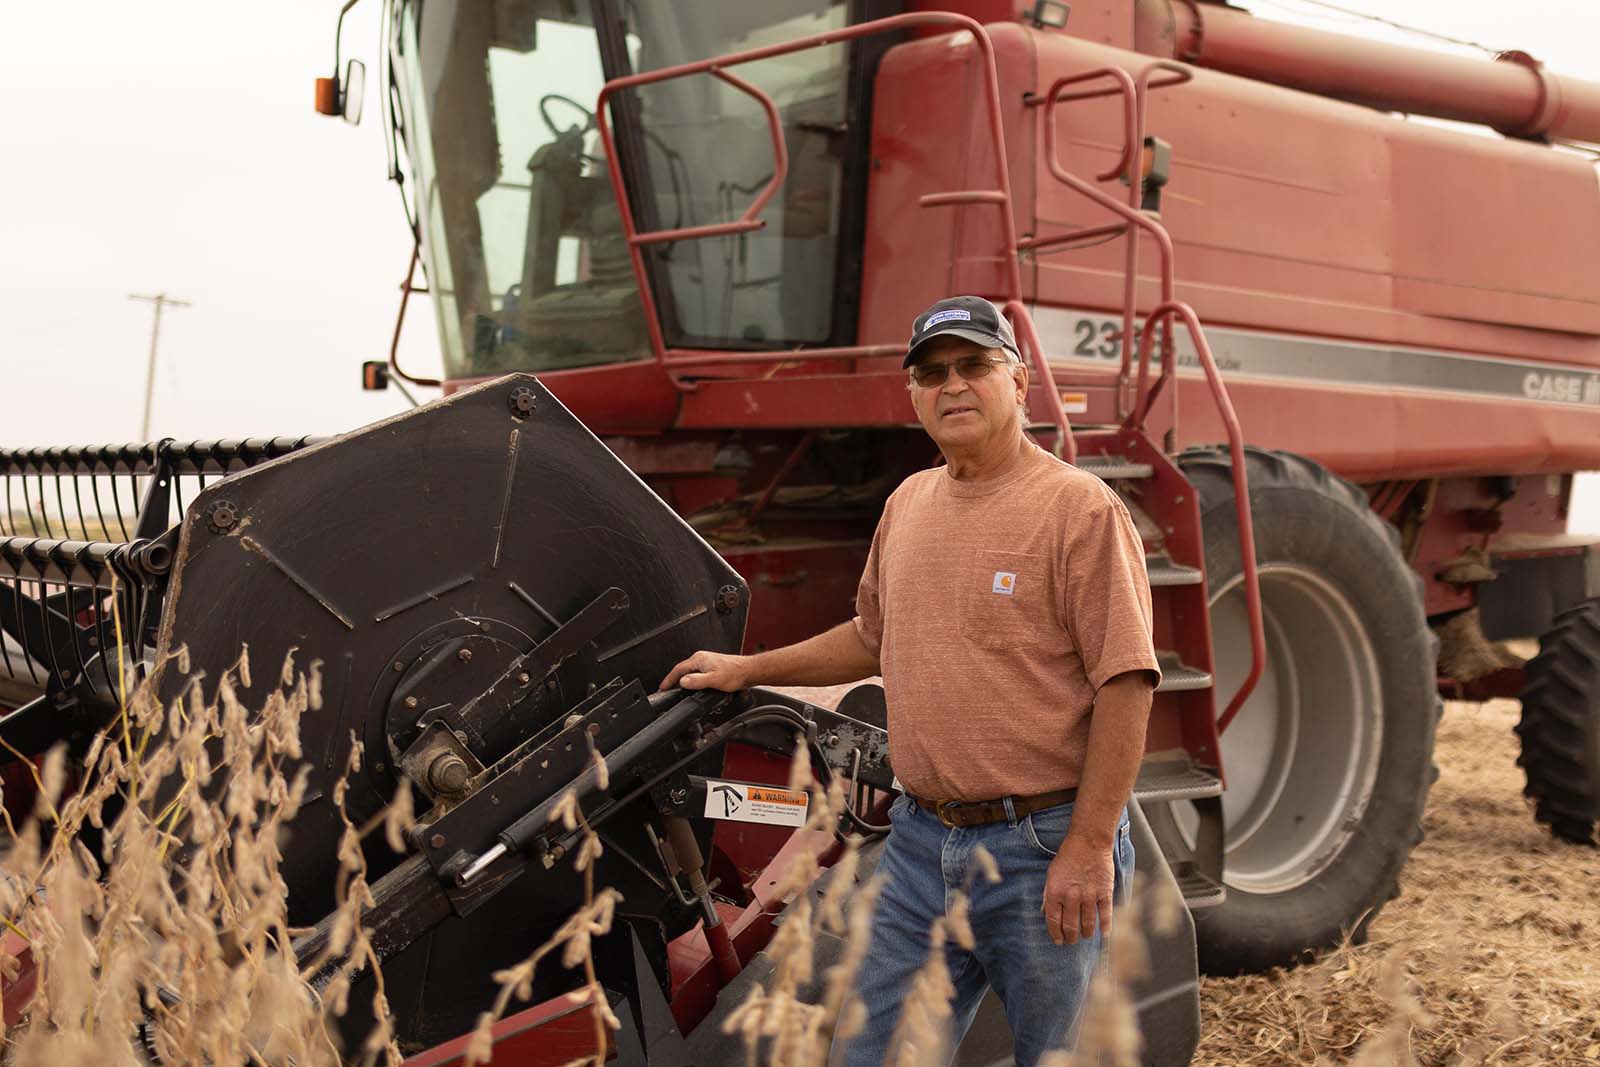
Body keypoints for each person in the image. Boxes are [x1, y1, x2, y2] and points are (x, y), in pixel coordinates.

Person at [660, 295, 1160, 1066]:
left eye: (973, 366)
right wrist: (748, 668)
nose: (952, 385)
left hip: (1041, 845)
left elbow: (1127, 681)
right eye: (932, 374)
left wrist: (1092, 844)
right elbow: (871, 636)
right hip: (922, 846)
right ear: (913, 397)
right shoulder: (909, 504)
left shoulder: (1077, 510)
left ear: (1019, 383)